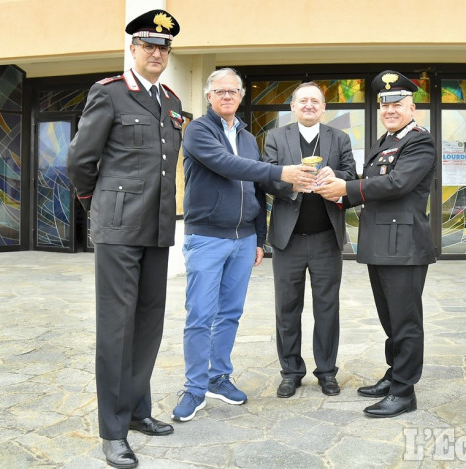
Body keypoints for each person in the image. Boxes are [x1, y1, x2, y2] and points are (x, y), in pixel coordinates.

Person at [66, 9, 182, 468]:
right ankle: (113, 431)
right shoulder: (110, 93)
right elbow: (79, 161)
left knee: (148, 324)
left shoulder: (171, 102)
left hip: (156, 228)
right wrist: (99, 205)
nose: (156, 53)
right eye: (148, 45)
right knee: (116, 328)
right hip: (118, 229)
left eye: (163, 47)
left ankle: (137, 411)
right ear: (133, 49)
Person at [172, 68, 315, 422]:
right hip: (206, 237)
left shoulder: (249, 138)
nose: (226, 96)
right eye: (219, 91)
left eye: (232, 91)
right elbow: (227, 165)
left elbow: (254, 189)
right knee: (200, 316)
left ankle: (218, 377)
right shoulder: (197, 131)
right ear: (209, 96)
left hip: (243, 240)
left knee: (230, 314)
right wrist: (283, 172)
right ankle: (194, 387)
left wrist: (259, 239)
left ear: (240, 96)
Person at [315, 70, 436, 417]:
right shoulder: (385, 141)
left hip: (405, 245)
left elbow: (397, 183)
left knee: (406, 321)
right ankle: (394, 372)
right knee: (390, 319)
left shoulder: (420, 141)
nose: (390, 109)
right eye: (385, 104)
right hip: (381, 244)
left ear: (413, 107)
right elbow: (369, 185)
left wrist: (346, 189)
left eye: (397, 103)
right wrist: (335, 189)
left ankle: (404, 391)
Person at [260, 82, 357, 398]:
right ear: (292, 106)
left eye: (315, 100)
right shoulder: (276, 137)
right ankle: (290, 372)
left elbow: (352, 179)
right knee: (287, 309)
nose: (309, 105)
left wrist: (337, 180)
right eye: (303, 100)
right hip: (288, 240)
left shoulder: (339, 138)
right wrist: (290, 185)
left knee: (327, 308)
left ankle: (327, 372)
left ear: (323, 107)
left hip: (326, 238)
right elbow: (266, 178)